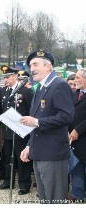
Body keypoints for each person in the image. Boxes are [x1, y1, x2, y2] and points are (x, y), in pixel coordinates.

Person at [20, 50, 74, 204]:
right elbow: (36, 120)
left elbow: (67, 116)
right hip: (39, 152)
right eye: (30, 65)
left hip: (53, 153)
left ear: (48, 66)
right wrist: (29, 146)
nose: (32, 69)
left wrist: (37, 122)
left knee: (55, 199)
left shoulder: (59, 85)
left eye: (35, 64)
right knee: (45, 198)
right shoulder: (40, 88)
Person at [0, 66, 34, 195]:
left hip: (21, 131)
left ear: (15, 76)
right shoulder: (4, 91)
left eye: (7, 77)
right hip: (8, 131)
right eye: (4, 77)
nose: (5, 79)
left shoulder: (25, 92)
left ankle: (24, 184)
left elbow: (31, 111)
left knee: (22, 158)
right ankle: (8, 181)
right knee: (8, 158)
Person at [68, 68, 86, 203]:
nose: (75, 80)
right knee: (76, 167)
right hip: (75, 140)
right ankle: (77, 194)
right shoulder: (75, 94)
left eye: (78, 78)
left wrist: (77, 130)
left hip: (82, 137)